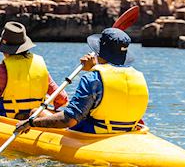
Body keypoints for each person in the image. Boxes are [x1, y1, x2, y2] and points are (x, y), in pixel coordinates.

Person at [15, 27, 148, 134]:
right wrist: (94, 67)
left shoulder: (93, 78)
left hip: (95, 133)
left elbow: (68, 120)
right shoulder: (138, 76)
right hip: (127, 131)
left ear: (99, 51)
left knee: (34, 112)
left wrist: (30, 123)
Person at [0, 22, 69, 120]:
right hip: (35, 118)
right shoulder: (40, 66)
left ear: (4, 49)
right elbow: (62, 99)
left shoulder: (0, 71)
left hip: (8, 121)